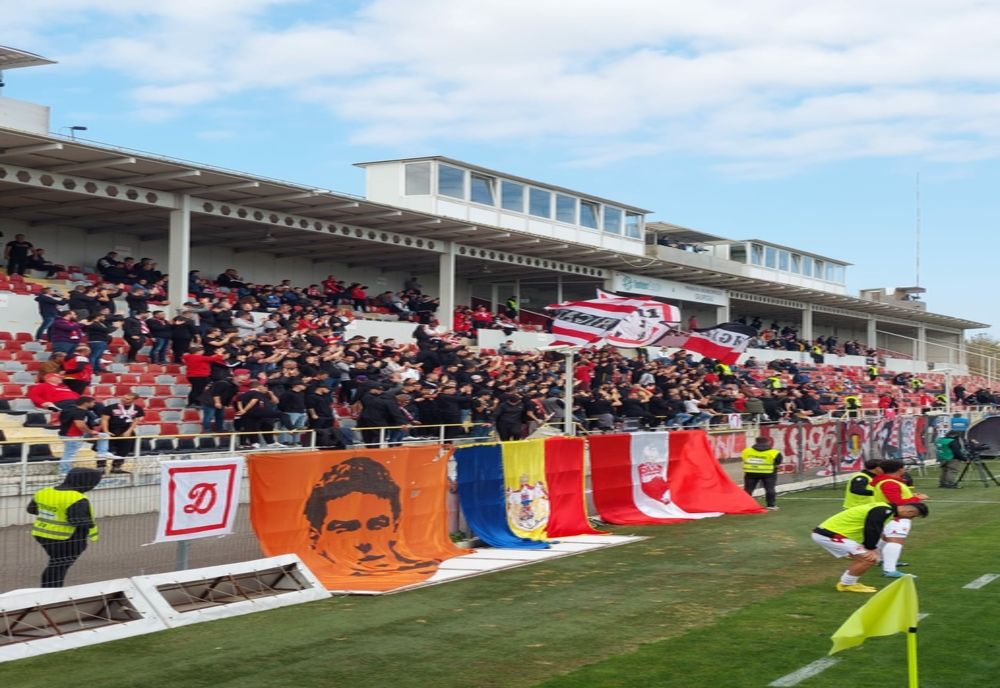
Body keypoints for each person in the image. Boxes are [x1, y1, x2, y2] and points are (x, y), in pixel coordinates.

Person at [303, 456, 435, 573]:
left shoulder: (422, 568)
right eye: (346, 529)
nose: (364, 543)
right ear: (315, 535)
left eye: (377, 526)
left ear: (395, 526)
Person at [811, 501, 929, 593]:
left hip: (831, 534)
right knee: (869, 558)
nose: (910, 519)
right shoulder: (884, 510)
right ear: (909, 512)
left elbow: (873, 529)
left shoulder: (884, 508)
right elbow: (871, 528)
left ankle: (848, 583)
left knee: (868, 558)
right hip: (831, 535)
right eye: (913, 516)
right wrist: (870, 548)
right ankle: (847, 585)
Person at [27, 468, 103, 587]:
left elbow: (31, 509)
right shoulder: (76, 498)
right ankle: (51, 592)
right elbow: (77, 521)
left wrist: (53, 514)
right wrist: (90, 524)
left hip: (42, 534)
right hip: (66, 538)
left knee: (56, 563)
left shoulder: (44, 491)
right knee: (58, 566)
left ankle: (50, 590)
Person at [871, 459, 929, 578]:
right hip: (896, 516)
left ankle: (880, 560)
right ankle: (889, 570)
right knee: (896, 541)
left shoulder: (888, 481)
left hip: (891, 514)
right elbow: (897, 503)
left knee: (886, 539)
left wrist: (912, 496)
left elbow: (897, 498)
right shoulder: (890, 483)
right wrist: (918, 499)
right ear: (900, 469)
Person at [99, 393, 144, 473]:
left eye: (127, 399)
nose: (124, 399)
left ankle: (116, 467)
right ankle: (101, 468)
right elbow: (104, 420)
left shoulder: (138, 409)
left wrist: (129, 431)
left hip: (126, 431)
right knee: (104, 449)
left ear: (133, 400)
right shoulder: (110, 407)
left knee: (124, 450)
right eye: (123, 397)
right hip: (110, 430)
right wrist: (106, 432)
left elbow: (135, 421)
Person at [741, 436, 783, 510]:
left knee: (748, 489)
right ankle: (771, 505)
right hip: (768, 473)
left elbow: (744, 458)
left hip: (751, 472)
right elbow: (778, 462)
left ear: (756, 442)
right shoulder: (774, 452)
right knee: (770, 489)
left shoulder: (746, 451)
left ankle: (745, 505)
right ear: (768, 442)